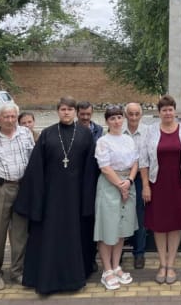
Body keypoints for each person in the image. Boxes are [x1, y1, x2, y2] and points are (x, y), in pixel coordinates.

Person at [14, 97, 98, 294]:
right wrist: (37, 199)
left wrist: (88, 199)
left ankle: (74, 278)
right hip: (51, 197)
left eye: (70, 109)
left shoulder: (85, 135)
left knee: (74, 236)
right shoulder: (47, 134)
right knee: (49, 237)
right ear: (57, 111)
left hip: (76, 197)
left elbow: (90, 169)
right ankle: (46, 278)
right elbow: (36, 169)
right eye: (63, 109)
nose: (66, 112)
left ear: (75, 112)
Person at [140, 95, 181, 284]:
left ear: (175, 110)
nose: (167, 113)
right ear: (159, 112)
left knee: (175, 224)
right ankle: (162, 264)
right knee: (159, 224)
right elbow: (143, 161)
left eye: (170, 109)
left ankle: (171, 265)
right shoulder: (150, 131)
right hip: (157, 183)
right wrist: (146, 185)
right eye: (164, 110)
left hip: (178, 183)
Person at [0, 103, 34, 291]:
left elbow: (33, 158)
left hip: (22, 187)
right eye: (6, 117)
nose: (10, 120)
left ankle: (17, 271)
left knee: (19, 233)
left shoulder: (26, 134)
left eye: (13, 116)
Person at [94, 106, 138, 290]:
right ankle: (107, 270)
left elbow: (136, 162)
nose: (117, 121)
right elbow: (104, 167)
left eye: (119, 117)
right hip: (110, 185)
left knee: (121, 228)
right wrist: (120, 186)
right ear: (107, 121)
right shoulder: (103, 141)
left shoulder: (128, 139)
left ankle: (116, 265)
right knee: (108, 228)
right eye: (112, 118)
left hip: (128, 182)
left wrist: (129, 181)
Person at [76, 101, 103, 273]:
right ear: (77, 113)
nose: (85, 118)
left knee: (92, 221)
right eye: (82, 114)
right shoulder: (72, 130)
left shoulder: (98, 130)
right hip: (75, 181)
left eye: (88, 114)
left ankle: (91, 257)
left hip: (94, 180)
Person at [123, 103, 148, 269]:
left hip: (140, 177)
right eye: (130, 114)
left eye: (136, 114)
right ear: (125, 115)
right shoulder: (117, 129)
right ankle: (117, 252)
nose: (133, 117)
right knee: (120, 215)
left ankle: (139, 254)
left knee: (140, 216)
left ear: (141, 114)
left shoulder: (149, 131)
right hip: (120, 178)